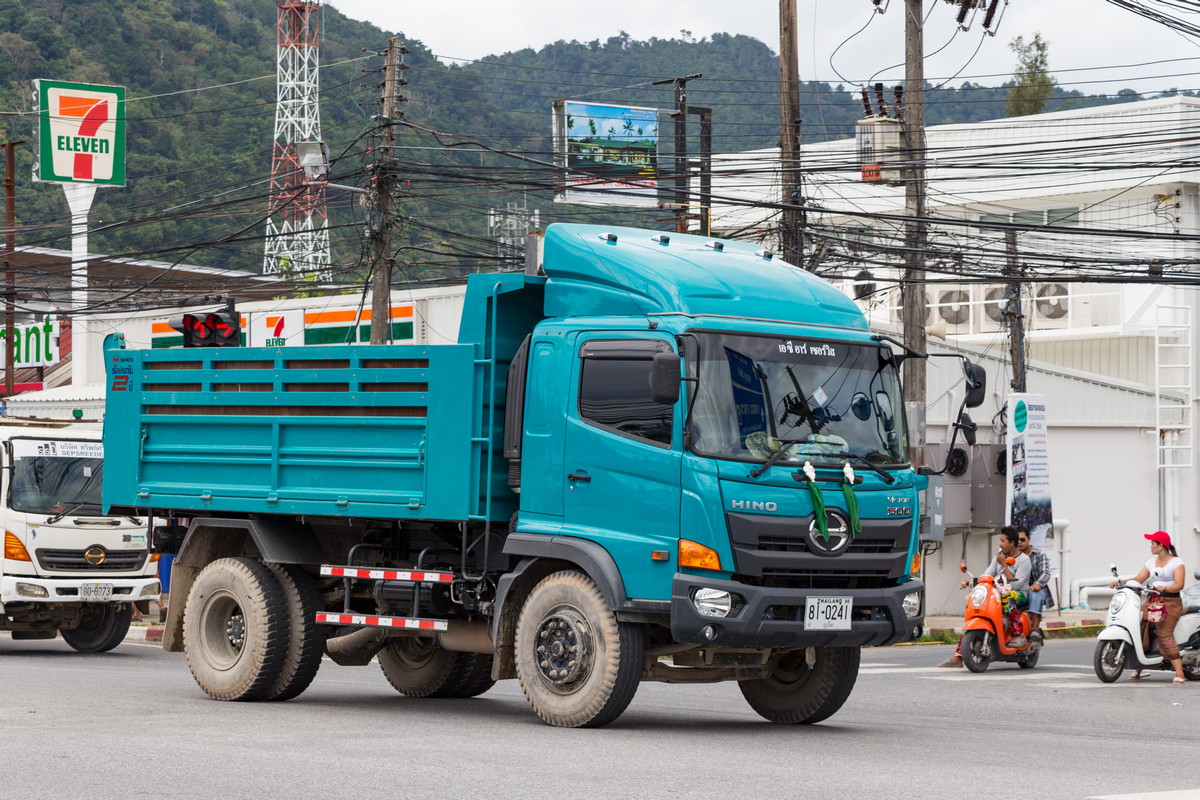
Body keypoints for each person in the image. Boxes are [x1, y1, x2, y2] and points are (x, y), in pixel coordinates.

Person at [939, 527, 1032, 667]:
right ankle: (959, 655)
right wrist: (972, 582)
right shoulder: (999, 556)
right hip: (998, 590)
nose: (1000, 544)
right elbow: (987, 575)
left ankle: (1019, 635)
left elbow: (1017, 585)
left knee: (1006, 597)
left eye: (1003, 541)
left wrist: (1003, 565)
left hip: (1018, 595)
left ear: (1012, 543)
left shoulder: (1024, 560)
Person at [1112, 530, 1187, 684]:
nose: (1151, 546)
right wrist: (1122, 583)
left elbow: (1180, 584)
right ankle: (1139, 667)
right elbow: (1139, 578)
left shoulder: (1176, 563)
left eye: (1153, 543)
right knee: (1137, 626)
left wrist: (1165, 589)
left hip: (1171, 603)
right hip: (1153, 600)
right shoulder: (1151, 562)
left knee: (1164, 633)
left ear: (1161, 545)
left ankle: (1180, 673)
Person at [1018, 529, 1052, 637]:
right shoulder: (1010, 556)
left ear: (1028, 539)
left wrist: (1038, 584)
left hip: (1034, 589)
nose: (1019, 542)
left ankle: (1034, 629)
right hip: (1017, 589)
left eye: (1022, 540)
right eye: (1016, 540)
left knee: (1035, 593)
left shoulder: (1039, 555)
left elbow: (1045, 573)